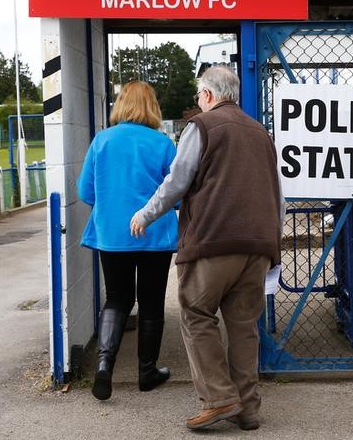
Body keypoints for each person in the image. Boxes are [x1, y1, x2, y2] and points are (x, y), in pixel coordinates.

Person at [130, 66, 282, 431]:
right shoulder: (261, 132)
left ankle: (218, 398)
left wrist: (146, 214)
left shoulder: (201, 127)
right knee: (244, 326)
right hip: (258, 245)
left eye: (199, 95)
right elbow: (278, 193)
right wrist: (272, 243)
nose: (197, 101)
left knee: (197, 314)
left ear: (210, 95)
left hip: (213, 242)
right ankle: (248, 409)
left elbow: (177, 181)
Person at [78, 81, 178, 401]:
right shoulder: (163, 144)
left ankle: (105, 366)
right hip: (155, 235)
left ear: (121, 104)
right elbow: (175, 195)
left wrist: (113, 204)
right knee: (150, 301)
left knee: (118, 298)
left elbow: (85, 192)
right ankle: (147, 372)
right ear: (152, 107)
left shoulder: (102, 141)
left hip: (112, 235)